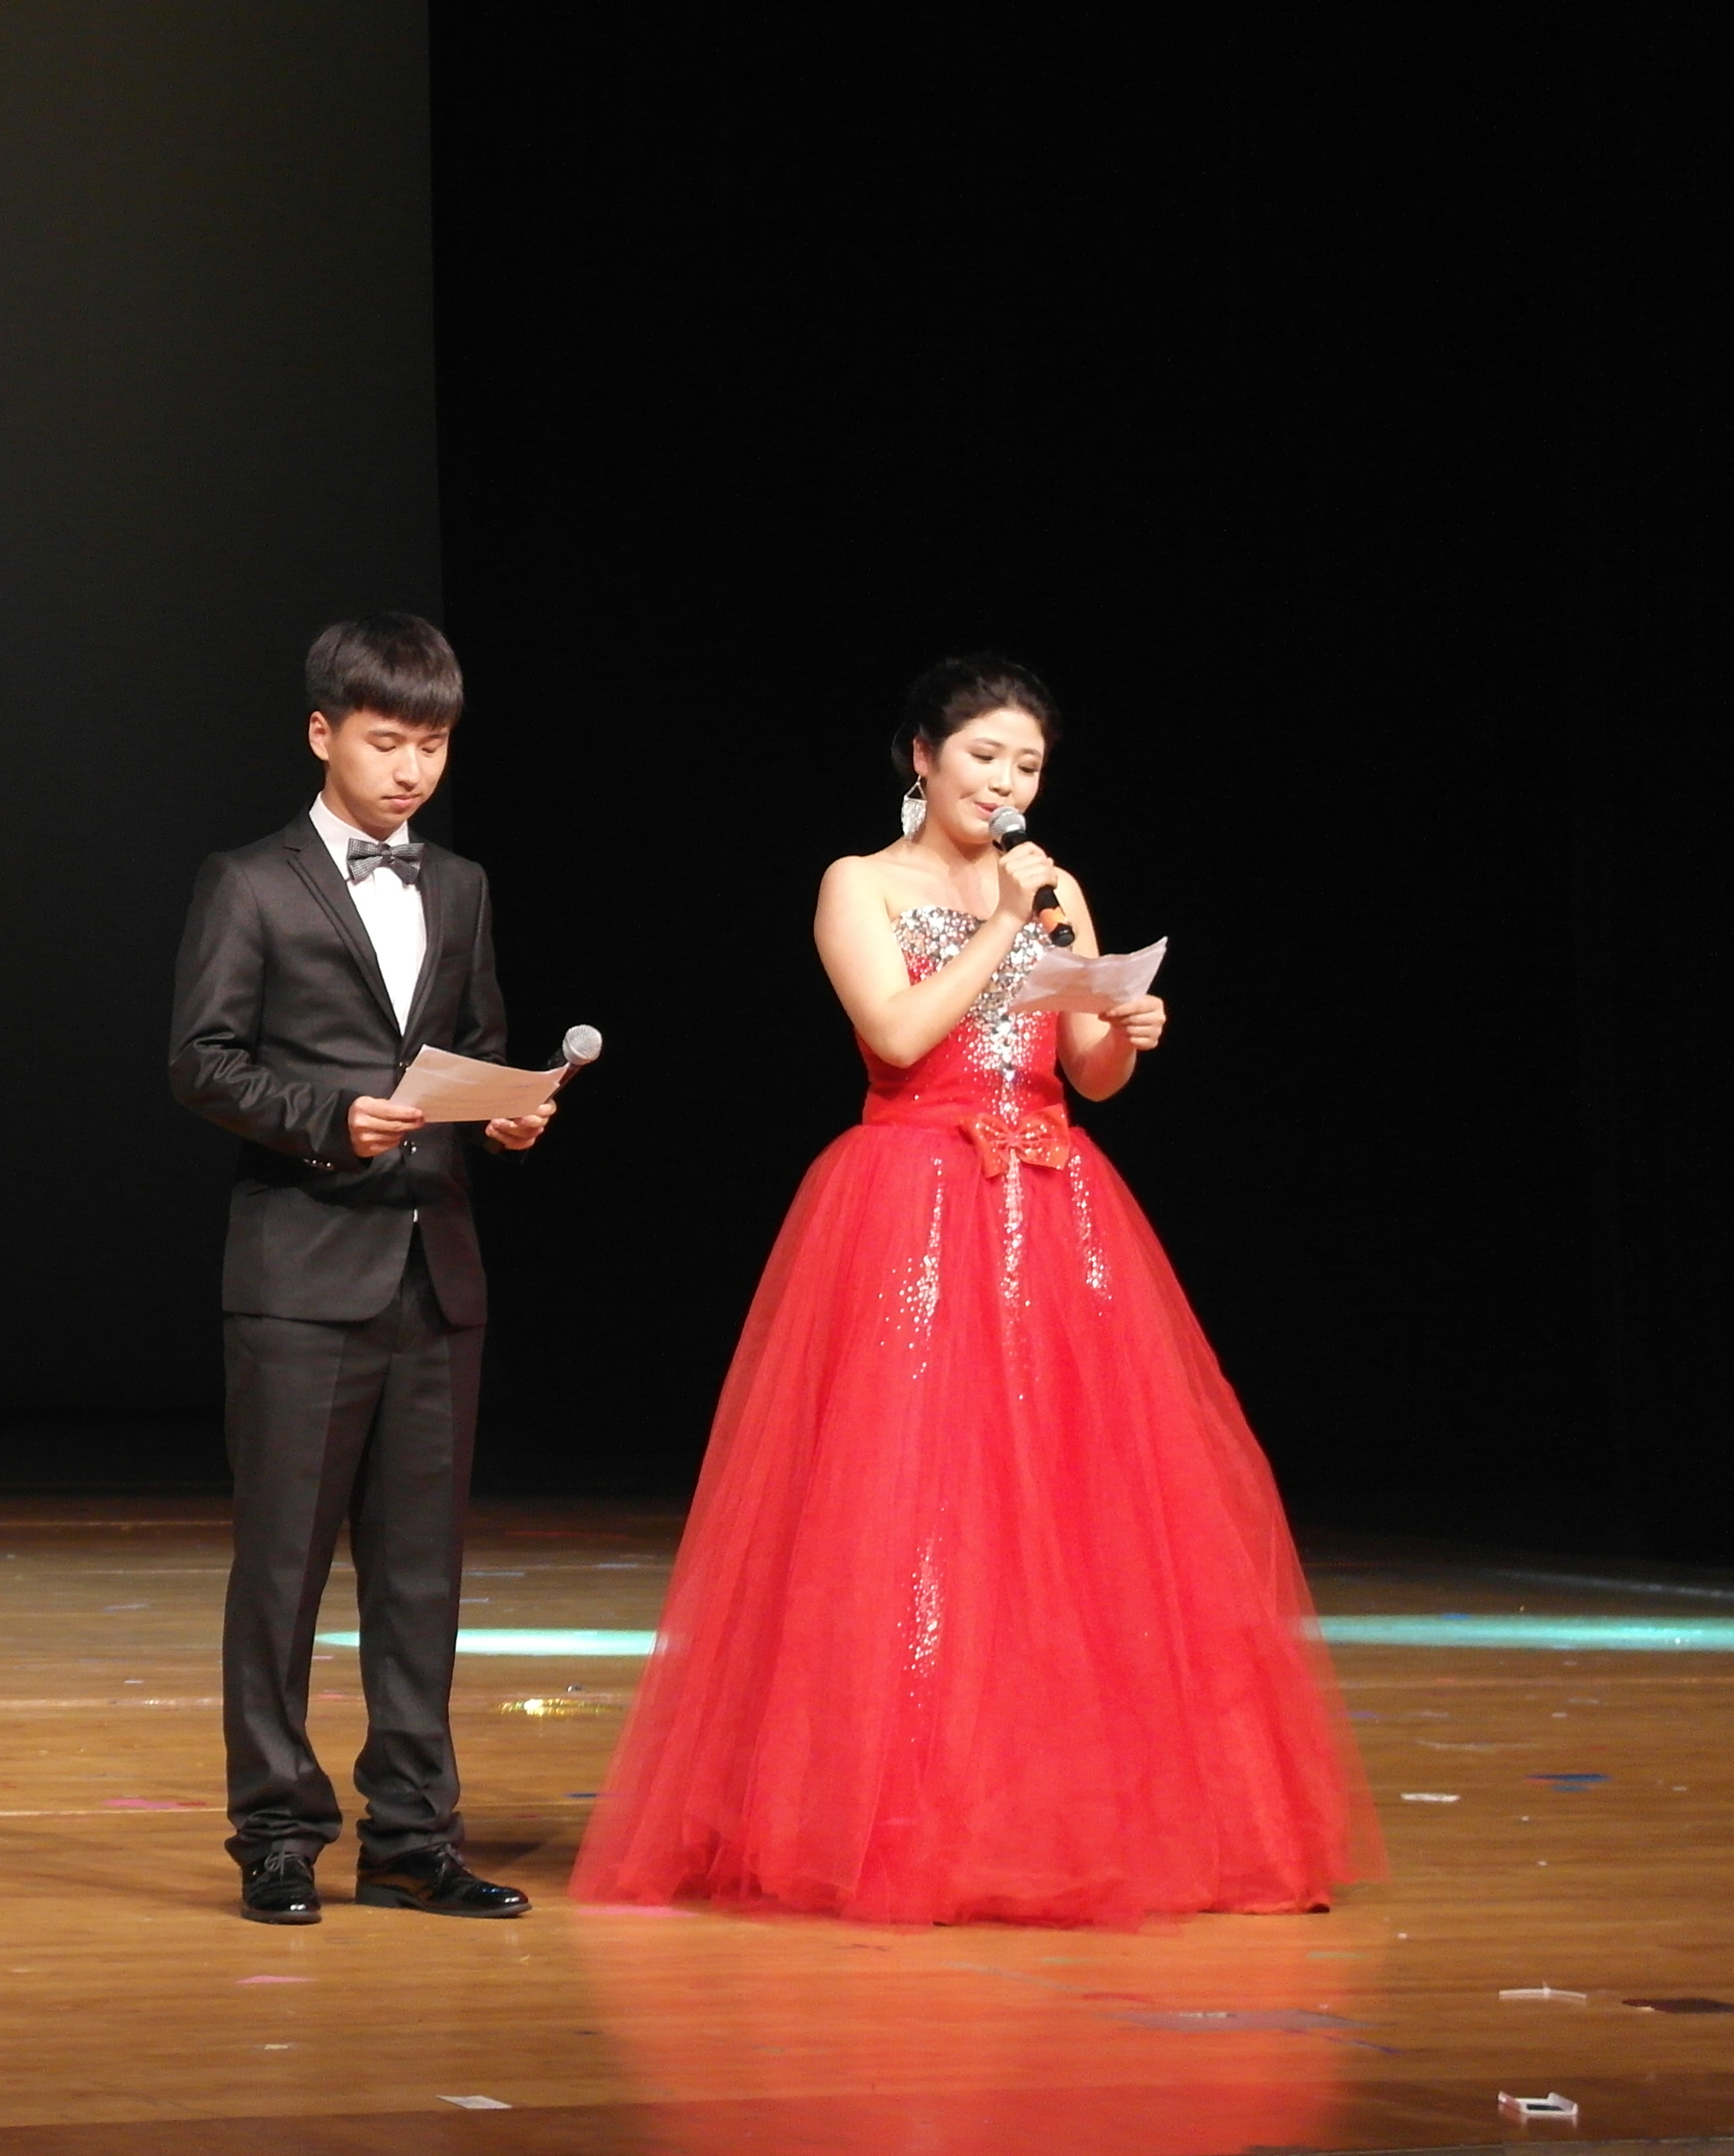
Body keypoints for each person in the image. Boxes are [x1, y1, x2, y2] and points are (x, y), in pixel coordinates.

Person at [569, 653, 1380, 1928]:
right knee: (912, 1506)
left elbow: (1087, 1069)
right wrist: (1005, 923)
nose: (1007, 784)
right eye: (986, 757)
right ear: (923, 757)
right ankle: (895, 1814)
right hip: (913, 1202)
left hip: (1054, 1203)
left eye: (1028, 765)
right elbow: (896, 1035)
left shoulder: (1058, 888)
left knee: (1075, 1512)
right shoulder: (860, 883)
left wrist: (1127, 1031)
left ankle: (1068, 1812)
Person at [169, 612, 557, 1927]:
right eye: (388, 742)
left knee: (420, 1580)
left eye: (432, 746)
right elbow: (202, 1060)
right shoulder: (250, 880)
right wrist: (328, 1120)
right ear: (322, 732)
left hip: (434, 1270)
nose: (411, 770)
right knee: (282, 1573)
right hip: (301, 1271)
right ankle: (278, 1834)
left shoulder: (462, 886)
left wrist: (506, 1113)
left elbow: (478, 1043)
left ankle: (412, 1837)